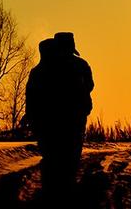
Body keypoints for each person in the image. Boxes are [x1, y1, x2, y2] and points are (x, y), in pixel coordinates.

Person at [26, 32, 94, 198]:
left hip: (50, 121)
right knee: (71, 154)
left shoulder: (42, 69)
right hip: (74, 118)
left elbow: (32, 95)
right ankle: (65, 190)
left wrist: (31, 115)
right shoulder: (80, 65)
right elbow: (90, 85)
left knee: (52, 156)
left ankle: (52, 191)